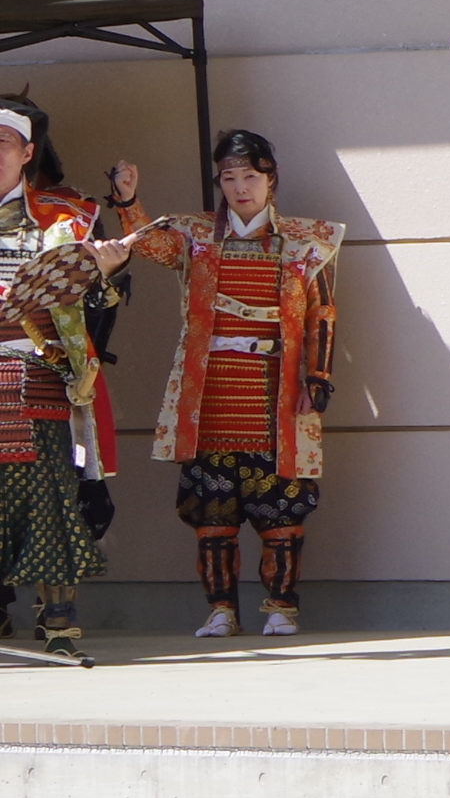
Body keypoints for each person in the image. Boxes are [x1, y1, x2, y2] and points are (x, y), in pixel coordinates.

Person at [98, 129, 341, 641]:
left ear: (271, 178)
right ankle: (221, 609)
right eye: (229, 178)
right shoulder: (195, 233)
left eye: (250, 176)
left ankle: (281, 606)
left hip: (274, 390)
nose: (239, 187)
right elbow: (149, 244)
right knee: (214, 514)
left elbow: (321, 311)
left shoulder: (305, 238)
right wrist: (128, 199)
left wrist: (318, 375)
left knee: (282, 510)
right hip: (209, 390)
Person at [0, 91, 106, 662]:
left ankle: (58, 616)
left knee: (47, 495)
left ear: (26, 152)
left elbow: (73, 297)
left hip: (34, 368)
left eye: (2, 142)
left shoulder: (60, 221)